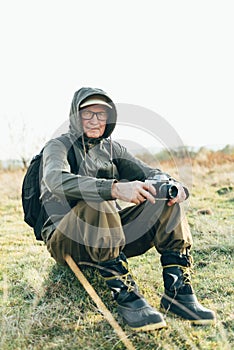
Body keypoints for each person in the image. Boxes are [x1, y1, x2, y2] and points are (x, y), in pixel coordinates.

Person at [40, 87, 215, 331]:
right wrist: (113, 188)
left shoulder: (112, 150)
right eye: (87, 113)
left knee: (165, 197)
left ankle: (177, 293)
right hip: (67, 239)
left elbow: (151, 173)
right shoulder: (57, 147)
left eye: (101, 114)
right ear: (75, 116)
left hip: (106, 237)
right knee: (97, 199)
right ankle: (127, 295)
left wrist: (175, 185)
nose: (95, 120)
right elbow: (55, 179)